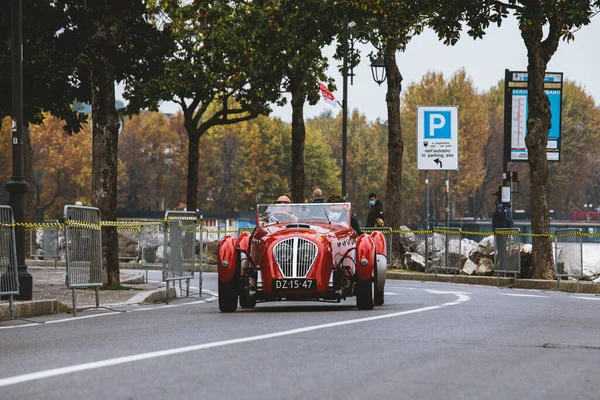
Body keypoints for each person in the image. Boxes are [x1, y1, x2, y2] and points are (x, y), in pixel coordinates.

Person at [492, 190, 514, 271]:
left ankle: (503, 268)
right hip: (502, 232)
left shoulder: (500, 207)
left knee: (502, 251)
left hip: (501, 232)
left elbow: (507, 219)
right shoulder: (502, 206)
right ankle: (503, 267)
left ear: (499, 197)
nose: (494, 198)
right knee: (502, 251)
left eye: (496, 196)